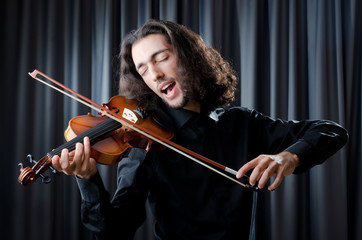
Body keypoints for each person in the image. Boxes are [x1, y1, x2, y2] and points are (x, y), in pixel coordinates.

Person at [51, 19, 348, 240]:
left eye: (162, 58)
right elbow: (114, 231)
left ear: (189, 57)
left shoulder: (242, 123)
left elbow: (330, 131)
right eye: (143, 69)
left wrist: (288, 158)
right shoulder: (147, 144)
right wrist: (87, 178)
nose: (154, 74)